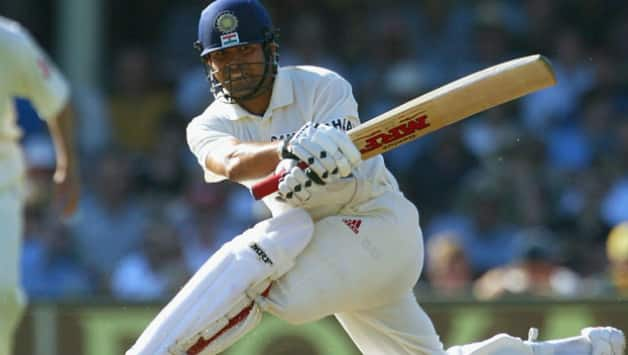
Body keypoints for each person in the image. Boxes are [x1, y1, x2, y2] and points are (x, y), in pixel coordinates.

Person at [126, 1, 625, 354]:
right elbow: (230, 161)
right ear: (207, 63)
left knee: (279, 275)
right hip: (331, 248)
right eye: (222, 58)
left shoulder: (322, 86)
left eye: (245, 53)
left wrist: (318, 160)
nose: (234, 68)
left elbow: (346, 155)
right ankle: (572, 351)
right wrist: (287, 150)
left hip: (374, 227)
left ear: (270, 50)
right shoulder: (206, 123)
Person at [0, 16, 80, 355]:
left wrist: (68, 166)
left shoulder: (8, 40)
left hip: (1, 177)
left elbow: (57, 100)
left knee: (2, 294)